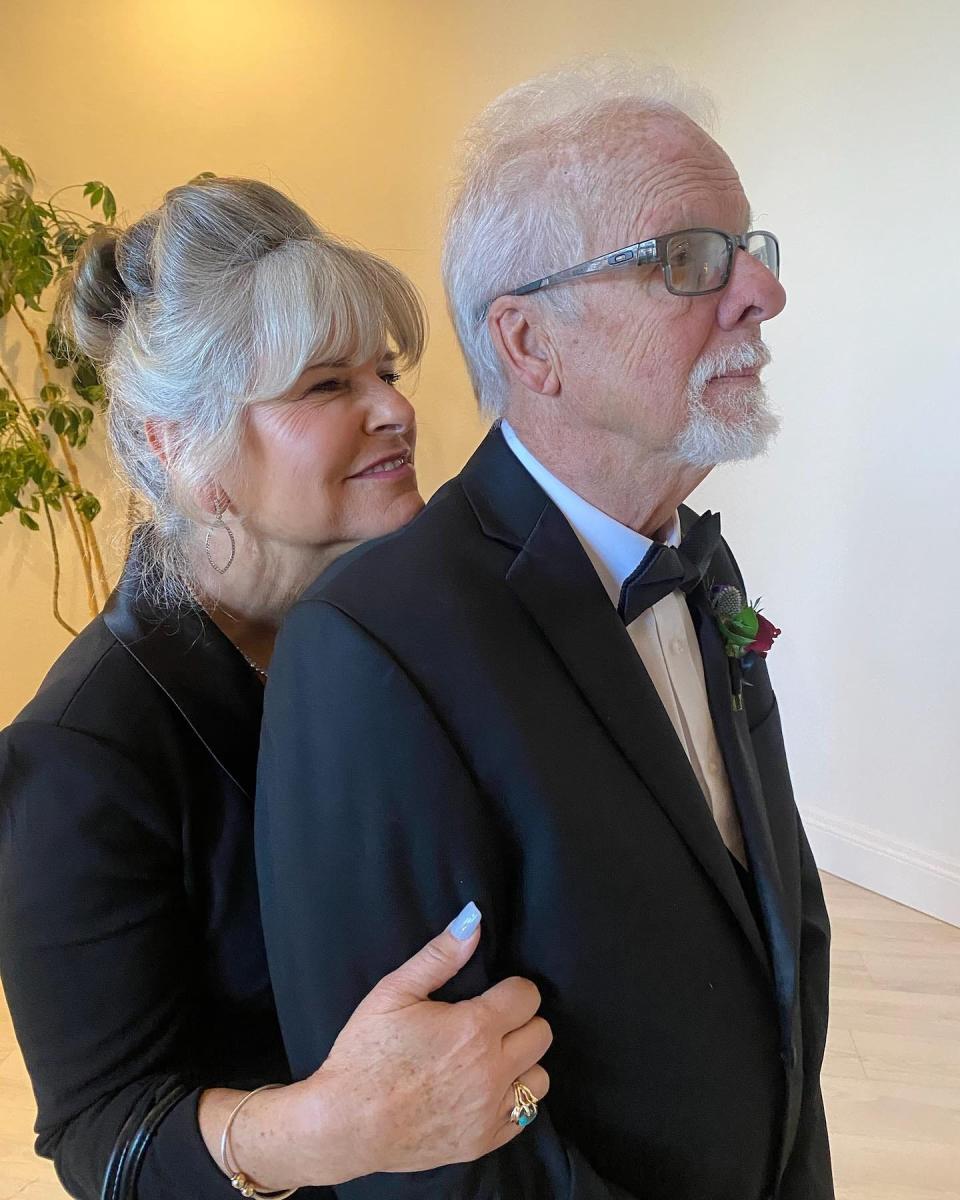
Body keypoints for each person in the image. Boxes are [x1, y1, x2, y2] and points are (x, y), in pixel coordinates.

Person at [256, 62, 834, 1200]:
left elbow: (770, 956)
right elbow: (423, 1155)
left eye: (750, 244)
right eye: (689, 258)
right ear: (529, 345)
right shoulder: (372, 648)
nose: (761, 289)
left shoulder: (696, 561)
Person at [0, 177, 552, 1200]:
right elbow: (102, 1137)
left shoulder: (404, 635)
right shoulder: (82, 756)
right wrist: (332, 1130)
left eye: (385, 372)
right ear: (182, 445)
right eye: (326, 386)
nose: (395, 409)